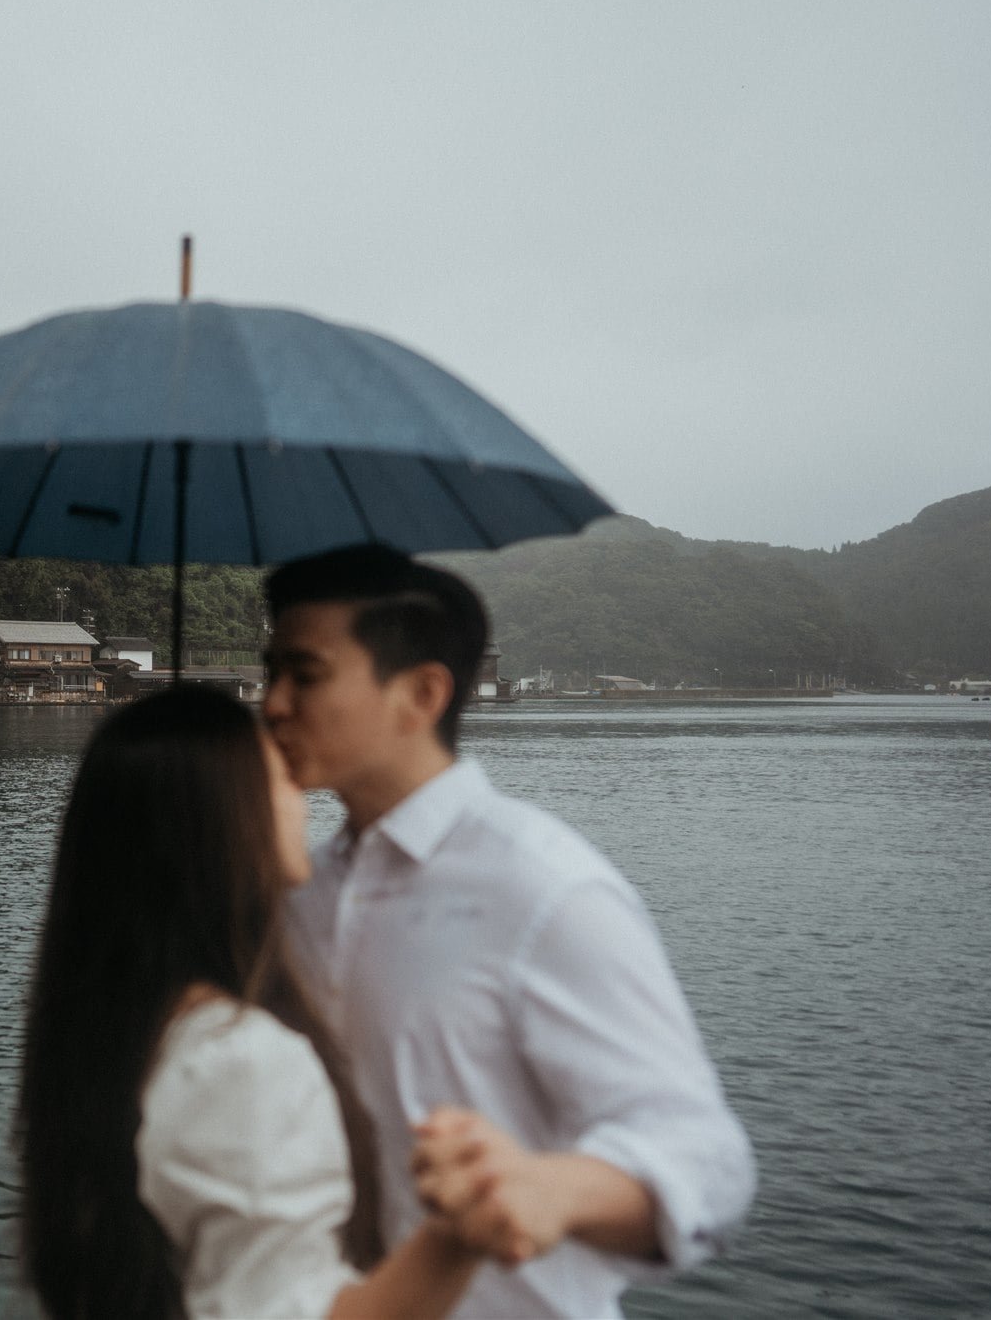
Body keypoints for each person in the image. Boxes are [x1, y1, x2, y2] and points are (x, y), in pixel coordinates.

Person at [262, 544, 756, 1320]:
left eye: (305, 674)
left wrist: (552, 1186)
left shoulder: (544, 888)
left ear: (420, 693)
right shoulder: (301, 893)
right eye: (272, 674)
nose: (273, 704)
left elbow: (711, 1161)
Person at [16, 685, 485, 1320]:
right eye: (280, 777)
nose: (304, 795)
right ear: (218, 817)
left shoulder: (114, 1035)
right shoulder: (241, 1063)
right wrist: (457, 1235)